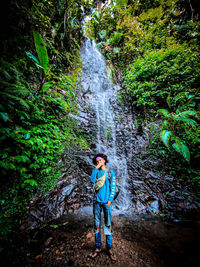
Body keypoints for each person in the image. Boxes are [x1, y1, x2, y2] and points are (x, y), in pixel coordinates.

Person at [89, 153, 117, 261]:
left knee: (108, 225)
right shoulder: (96, 172)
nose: (99, 162)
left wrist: (110, 201)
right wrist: (96, 167)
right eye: (97, 161)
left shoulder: (110, 172)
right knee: (96, 224)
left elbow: (113, 187)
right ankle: (98, 247)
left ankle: (109, 248)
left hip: (106, 203)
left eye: (100, 160)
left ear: (104, 160)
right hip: (96, 202)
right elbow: (92, 180)